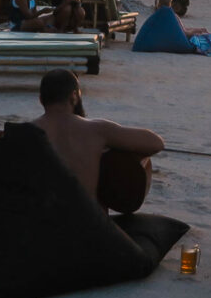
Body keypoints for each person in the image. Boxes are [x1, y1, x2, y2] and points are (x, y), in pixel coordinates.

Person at [32, 69, 164, 204]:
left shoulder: (20, 133)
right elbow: (156, 143)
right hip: (84, 220)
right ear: (74, 97)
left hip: (34, 220)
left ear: (41, 100)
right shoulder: (96, 129)